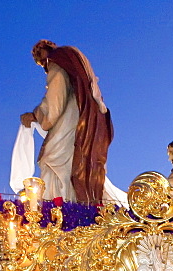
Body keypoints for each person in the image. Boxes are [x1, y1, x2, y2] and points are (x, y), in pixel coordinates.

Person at [20, 40, 113, 203]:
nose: (42, 64)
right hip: (85, 120)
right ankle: (79, 208)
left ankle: (61, 212)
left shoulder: (58, 60)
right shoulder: (74, 58)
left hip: (71, 122)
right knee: (76, 164)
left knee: (53, 160)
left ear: (47, 49)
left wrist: (36, 115)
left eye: (40, 56)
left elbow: (55, 103)